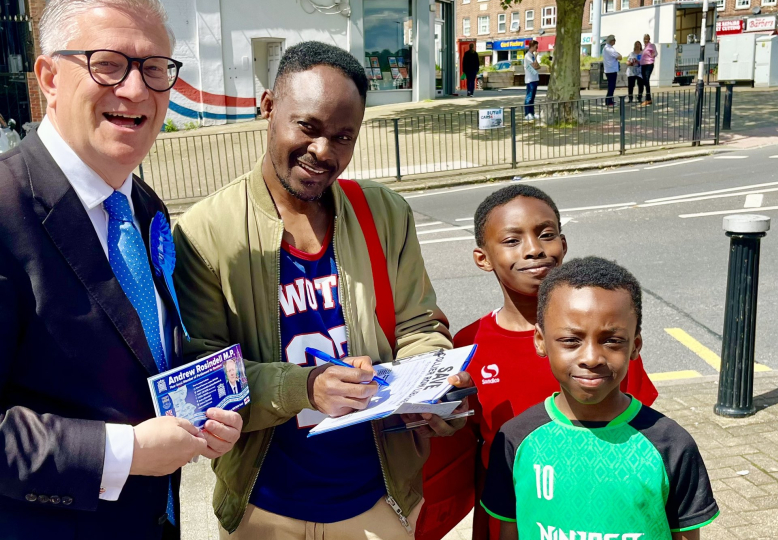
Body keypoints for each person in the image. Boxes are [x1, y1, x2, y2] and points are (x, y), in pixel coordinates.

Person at [173, 41, 472, 540]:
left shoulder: (385, 213)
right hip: (263, 508)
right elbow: (202, 378)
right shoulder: (206, 232)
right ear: (268, 107)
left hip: (377, 500)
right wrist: (305, 387)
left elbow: (419, 326)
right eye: (307, 127)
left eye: (343, 137)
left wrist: (433, 386)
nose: (323, 152)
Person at [0, 1, 243, 539]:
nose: (136, 90)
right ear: (49, 78)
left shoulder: (144, 205)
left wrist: (205, 413)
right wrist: (126, 452)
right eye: (108, 63)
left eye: (155, 68)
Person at [454, 185, 658, 540]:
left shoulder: (606, 341)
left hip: (603, 512)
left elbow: (642, 430)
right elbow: (471, 450)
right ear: (482, 257)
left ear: (563, 245)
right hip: (512, 515)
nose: (534, 249)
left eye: (546, 234)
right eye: (512, 240)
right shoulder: (468, 345)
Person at [481, 257, 720, 540]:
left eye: (612, 340)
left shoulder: (670, 445)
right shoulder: (515, 440)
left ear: (635, 345)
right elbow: (509, 530)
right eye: (571, 340)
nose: (592, 358)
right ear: (540, 341)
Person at [523, 41, 541, 121]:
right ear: (532, 46)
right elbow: (535, 66)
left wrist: (536, 63)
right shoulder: (528, 56)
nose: (537, 49)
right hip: (530, 79)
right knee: (529, 97)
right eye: (536, 47)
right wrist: (536, 62)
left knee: (532, 98)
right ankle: (527, 114)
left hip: (534, 78)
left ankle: (532, 113)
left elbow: (538, 66)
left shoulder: (532, 55)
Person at [603, 35, 622, 107]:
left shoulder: (608, 48)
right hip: (611, 70)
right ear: (611, 41)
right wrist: (619, 55)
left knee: (611, 86)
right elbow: (619, 57)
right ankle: (609, 101)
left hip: (610, 69)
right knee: (611, 86)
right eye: (614, 40)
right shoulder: (609, 49)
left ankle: (609, 100)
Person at [641, 34, 658, 105]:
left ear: (649, 39)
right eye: (644, 39)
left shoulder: (651, 45)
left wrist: (653, 55)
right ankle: (648, 98)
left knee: (646, 79)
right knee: (644, 80)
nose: (645, 40)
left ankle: (648, 98)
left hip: (649, 64)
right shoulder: (644, 47)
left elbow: (656, 52)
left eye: (647, 39)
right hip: (643, 64)